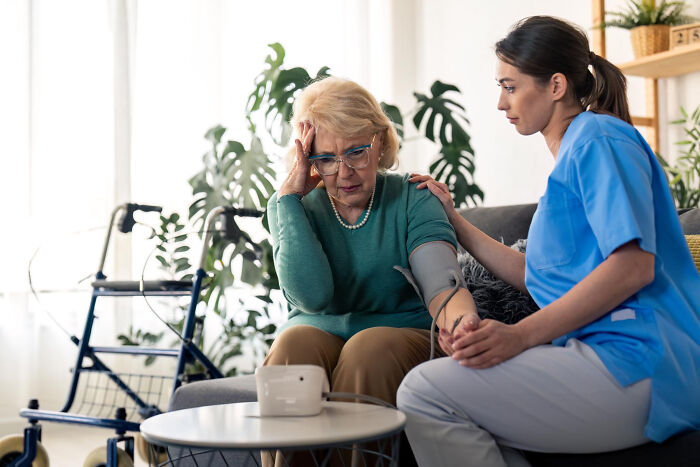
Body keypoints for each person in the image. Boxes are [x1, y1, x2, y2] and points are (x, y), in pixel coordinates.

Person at [397, 15, 700, 467]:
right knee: (455, 401)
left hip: (642, 361)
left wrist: (519, 337)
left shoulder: (600, 139)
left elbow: (634, 266)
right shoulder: (576, 153)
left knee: (424, 392)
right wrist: (455, 221)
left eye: (510, 86)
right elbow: (534, 275)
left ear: (556, 85)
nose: (501, 102)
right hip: (607, 356)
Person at [264, 76, 480, 465]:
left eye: (357, 152)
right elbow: (310, 299)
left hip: (401, 336)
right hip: (317, 333)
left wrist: (462, 325)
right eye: (326, 158)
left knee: (369, 348)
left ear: (379, 142)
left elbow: (441, 285)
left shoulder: (414, 197)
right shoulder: (291, 206)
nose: (344, 172)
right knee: (293, 345)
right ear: (307, 157)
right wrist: (290, 201)